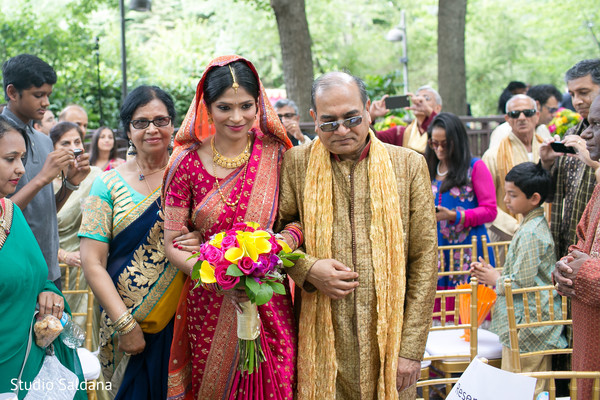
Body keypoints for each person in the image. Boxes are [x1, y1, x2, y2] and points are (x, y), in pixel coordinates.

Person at [276, 71, 438, 399]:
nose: (343, 130)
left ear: (367, 109)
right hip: (323, 331)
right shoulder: (296, 164)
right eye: (329, 122)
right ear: (313, 119)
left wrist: (410, 349)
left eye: (352, 118)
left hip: (390, 337)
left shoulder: (408, 165)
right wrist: (307, 268)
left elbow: (424, 259)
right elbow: (280, 233)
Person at [162, 55, 296, 400]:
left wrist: (278, 246)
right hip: (209, 300)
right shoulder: (184, 162)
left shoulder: (278, 154)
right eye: (224, 107)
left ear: (259, 104)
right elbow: (174, 243)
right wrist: (218, 278)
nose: (237, 117)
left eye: (246, 106)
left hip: (269, 296)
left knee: (276, 387)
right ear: (206, 107)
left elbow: (299, 220)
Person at [79, 86, 197, 399]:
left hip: (186, 317)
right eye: (141, 122)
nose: (152, 129)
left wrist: (200, 237)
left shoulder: (192, 175)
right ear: (128, 130)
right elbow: (92, 261)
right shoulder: (106, 183)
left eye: (161, 120)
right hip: (129, 322)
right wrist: (125, 324)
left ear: (174, 124)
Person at [0, 116, 86, 399]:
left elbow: (38, 278)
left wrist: (51, 295)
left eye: (22, 158)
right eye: (10, 158)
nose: (21, 168)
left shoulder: (11, 214)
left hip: (33, 370)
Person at [471, 162, 566, 396]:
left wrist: (495, 277)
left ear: (534, 198)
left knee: (525, 388)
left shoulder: (532, 232)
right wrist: (494, 273)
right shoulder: (529, 225)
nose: (506, 200)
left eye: (513, 195)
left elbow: (521, 284)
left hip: (530, 326)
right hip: (526, 323)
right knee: (518, 385)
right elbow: (522, 275)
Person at [2, 54, 90, 290]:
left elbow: (43, 212)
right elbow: (4, 216)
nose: (46, 103)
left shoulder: (43, 140)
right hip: (13, 271)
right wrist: (43, 178)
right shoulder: (2, 139)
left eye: (48, 95)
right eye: (38, 95)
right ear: (12, 92)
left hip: (48, 269)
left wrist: (70, 184)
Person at [553, 95, 600, 400]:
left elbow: (588, 264)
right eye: (588, 124)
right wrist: (564, 268)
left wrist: (586, 272)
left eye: (595, 124)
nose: (585, 133)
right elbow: (580, 241)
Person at [425, 112, 497, 294]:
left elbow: (490, 211)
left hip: (469, 248)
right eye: (434, 143)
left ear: (457, 142)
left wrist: (454, 216)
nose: (439, 149)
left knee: (470, 311)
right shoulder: (427, 168)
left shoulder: (475, 167)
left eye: (445, 144)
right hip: (438, 248)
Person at [540, 59, 600, 259]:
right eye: (572, 94)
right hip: (569, 242)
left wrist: (594, 163)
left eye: (584, 92)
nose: (576, 101)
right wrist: (547, 164)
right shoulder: (572, 135)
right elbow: (550, 195)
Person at [49, 122, 102, 326]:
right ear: (52, 148)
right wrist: (63, 256)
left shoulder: (95, 177)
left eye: (77, 141)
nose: (74, 147)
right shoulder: (44, 183)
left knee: (88, 329)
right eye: (65, 143)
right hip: (57, 268)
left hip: (88, 266)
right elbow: (34, 232)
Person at [483, 94, 543, 242]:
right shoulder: (492, 156)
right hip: (509, 236)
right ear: (507, 119)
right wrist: (519, 230)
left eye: (528, 112)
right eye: (515, 114)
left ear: (537, 116)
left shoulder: (548, 151)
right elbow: (486, 203)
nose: (522, 118)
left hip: (545, 233)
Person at [371, 85, 442, 153]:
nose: (419, 101)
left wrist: (428, 111)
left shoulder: (442, 132)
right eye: (417, 97)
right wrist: (371, 116)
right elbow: (373, 139)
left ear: (437, 108)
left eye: (426, 98)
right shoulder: (400, 132)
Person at [489, 84, 562, 148]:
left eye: (556, 110)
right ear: (537, 106)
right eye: (552, 110)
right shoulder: (503, 131)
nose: (554, 115)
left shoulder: (542, 130)